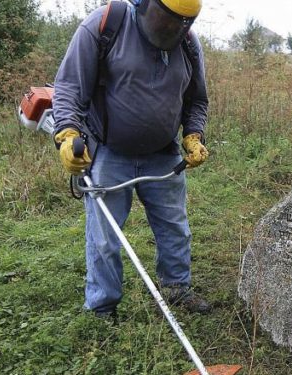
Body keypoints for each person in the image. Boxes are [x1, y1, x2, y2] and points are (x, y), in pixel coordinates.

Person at [51, 0, 211, 318]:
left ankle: (176, 289)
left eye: (180, 23)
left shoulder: (189, 45)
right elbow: (68, 87)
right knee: (104, 237)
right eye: (163, 19)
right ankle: (102, 306)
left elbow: (198, 101)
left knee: (175, 228)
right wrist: (67, 133)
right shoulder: (105, 25)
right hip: (109, 152)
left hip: (163, 155)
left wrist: (193, 134)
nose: (169, 28)